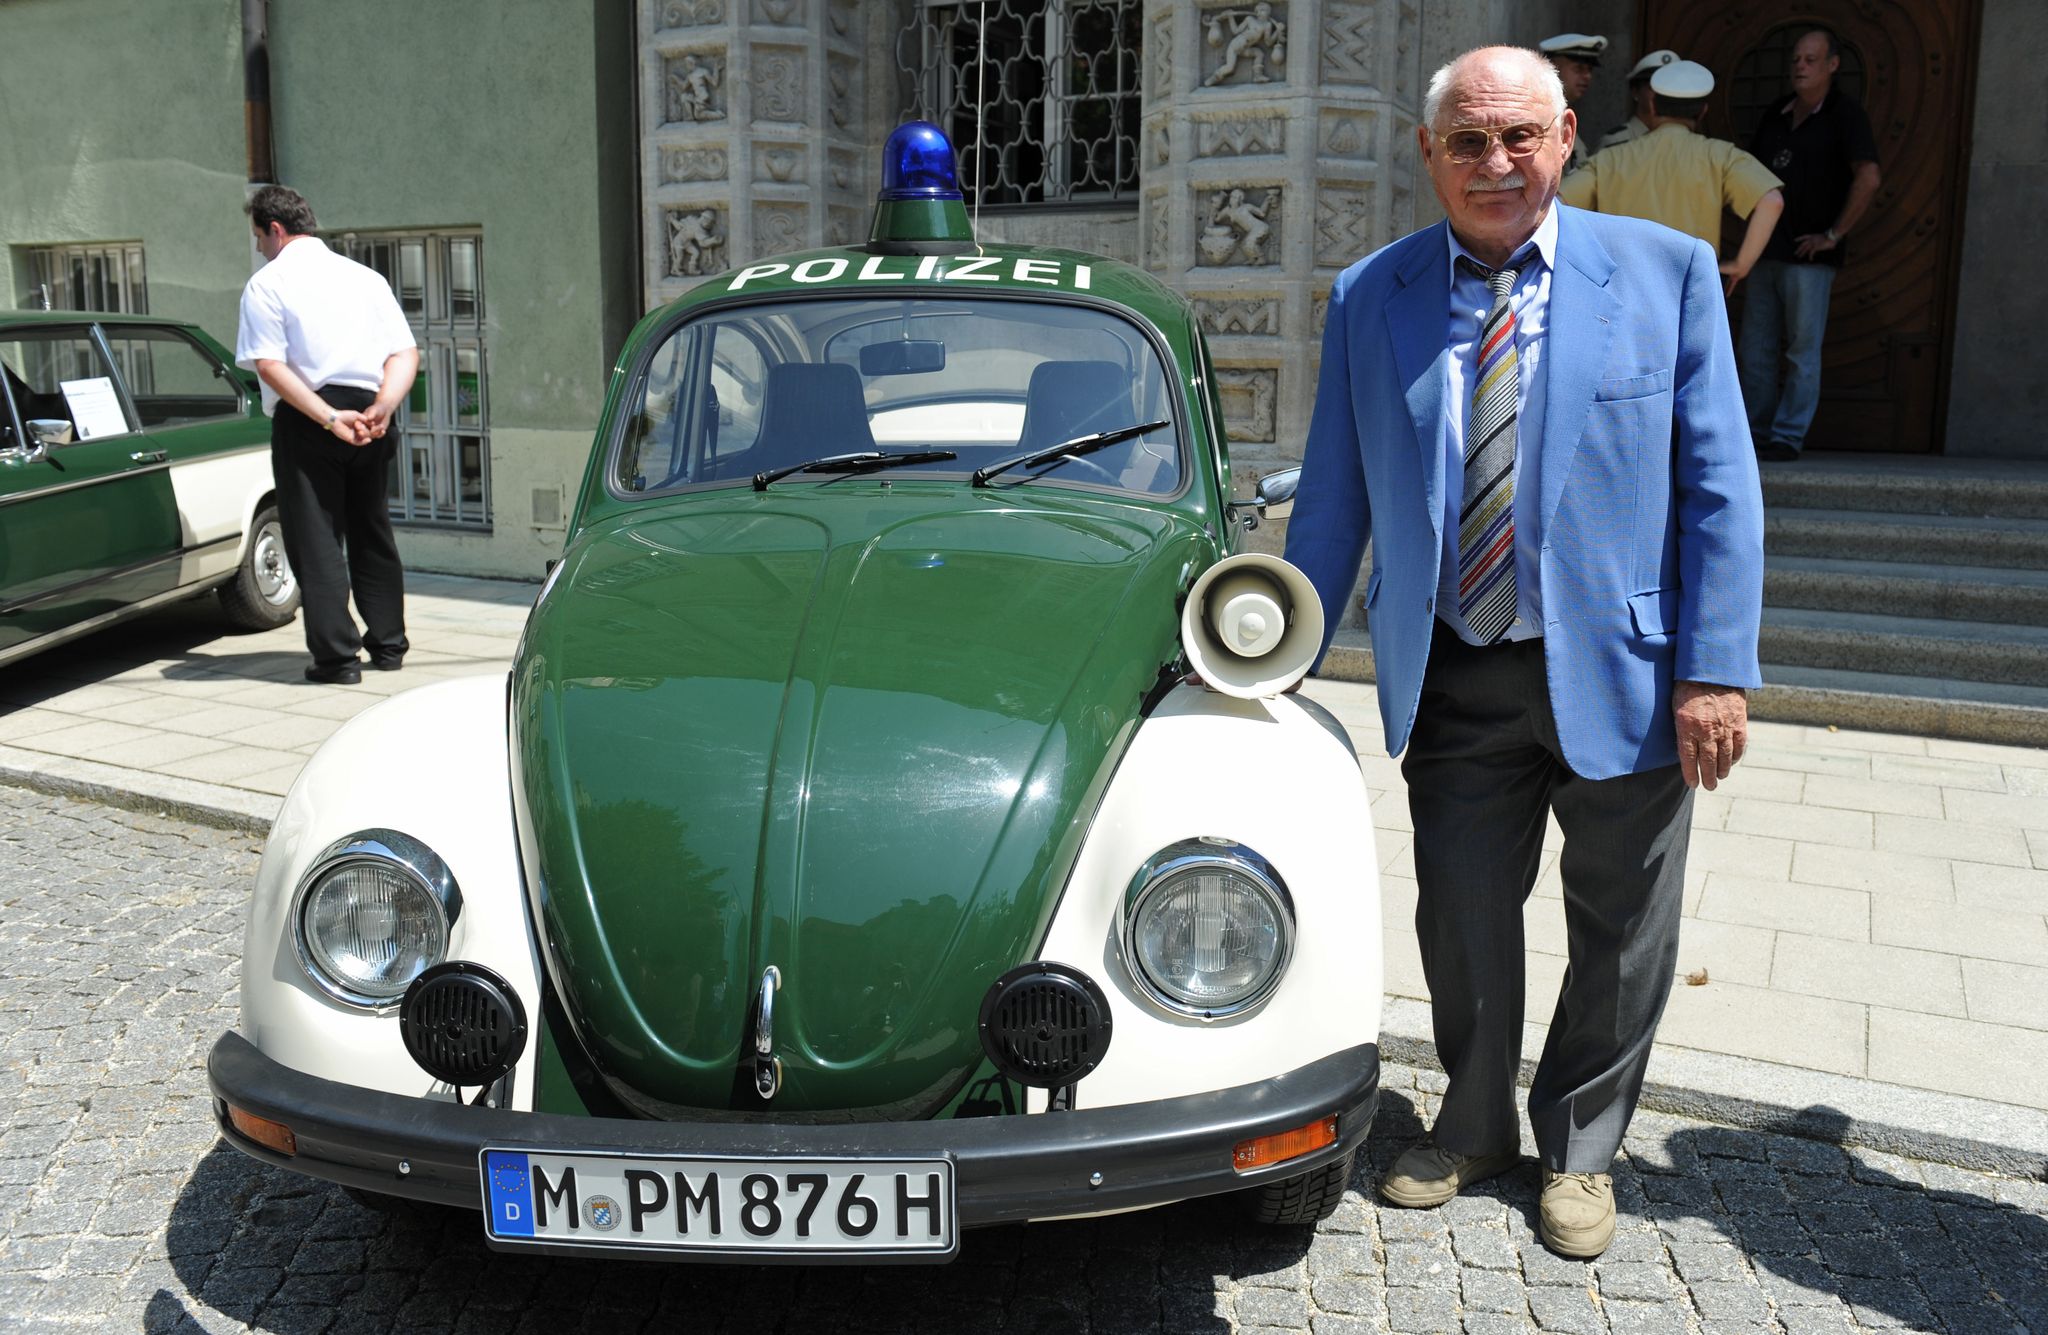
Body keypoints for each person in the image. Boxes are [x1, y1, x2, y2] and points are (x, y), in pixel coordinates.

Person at [1282, 46, 1762, 1258]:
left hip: (1628, 673)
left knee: (1620, 926)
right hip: (1455, 668)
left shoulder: (1667, 274)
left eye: (1517, 137)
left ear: (1562, 142)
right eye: (1465, 141)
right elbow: (1334, 500)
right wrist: (1275, 659)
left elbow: (1717, 486)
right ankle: (1477, 1119)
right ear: (1429, 156)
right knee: (1462, 910)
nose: (1494, 162)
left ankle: (1582, 1149)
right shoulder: (1368, 295)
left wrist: (1714, 667)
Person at [235, 186, 419, 686]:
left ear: (275, 229)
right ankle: (388, 646)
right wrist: (381, 408)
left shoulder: (268, 283)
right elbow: (405, 354)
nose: (258, 248)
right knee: (372, 530)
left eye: (258, 236)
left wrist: (329, 418)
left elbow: (269, 365)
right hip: (373, 412)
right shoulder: (367, 278)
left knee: (315, 540)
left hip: (310, 416)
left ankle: (337, 659)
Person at [1739, 28, 1881, 461]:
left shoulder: (1846, 114)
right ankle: (1754, 433)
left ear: (1832, 65)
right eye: (1797, 59)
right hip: (1766, 251)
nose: (1800, 66)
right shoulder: (1776, 113)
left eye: (1811, 59)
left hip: (1810, 256)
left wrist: (1833, 235)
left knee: (1802, 348)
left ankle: (1787, 435)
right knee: (1754, 348)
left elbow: (1869, 176)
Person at [1561, 60, 1785, 293]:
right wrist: (1741, 265)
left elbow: (1556, 204)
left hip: (1623, 291)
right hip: (1691, 289)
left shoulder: (1610, 159)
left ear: (1653, 105)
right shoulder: (1720, 155)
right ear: (1703, 111)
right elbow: (1772, 201)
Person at [1537, 33, 1606, 169]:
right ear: (1553, 68)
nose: (1587, 76)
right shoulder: (1542, 118)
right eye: (1579, 68)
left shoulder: (1562, 116)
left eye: (1589, 70)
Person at [1600, 48, 1678, 149]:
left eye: (1669, 87)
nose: (1663, 94)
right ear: (1635, 92)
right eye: (1654, 87)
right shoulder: (1616, 141)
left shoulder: (1681, 139)